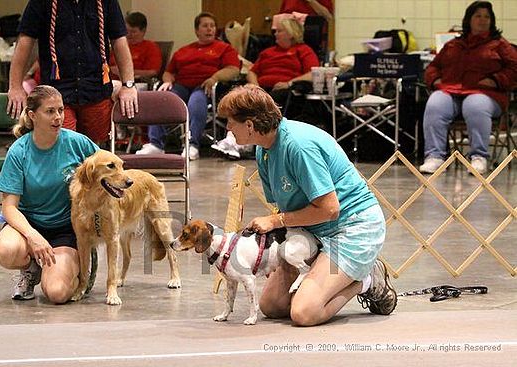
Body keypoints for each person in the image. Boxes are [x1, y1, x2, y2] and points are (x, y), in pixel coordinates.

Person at [217, 85, 397, 326]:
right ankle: (327, 272)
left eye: (230, 122)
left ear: (249, 125)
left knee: (304, 313)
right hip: (311, 231)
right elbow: (283, 208)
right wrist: (275, 249)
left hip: (351, 228)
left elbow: (330, 209)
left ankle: (365, 280)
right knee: (271, 306)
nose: (227, 128)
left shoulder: (298, 146)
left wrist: (274, 222)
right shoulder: (264, 151)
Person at [0, 85, 99, 303]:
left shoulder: (78, 143)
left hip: (66, 228)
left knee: (57, 293)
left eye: (60, 110)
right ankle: (32, 268)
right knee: (6, 250)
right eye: (50, 111)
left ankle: (83, 259)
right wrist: (33, 237)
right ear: (33, 115)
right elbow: (9, 207)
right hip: (29, 226)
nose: (58, 117)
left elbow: (112, 170)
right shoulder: (18, 151)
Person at [7, 0, 139, 145]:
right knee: (63, 148)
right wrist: (15, 86)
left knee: (95, 152)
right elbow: (25, 41)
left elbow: (119, 39)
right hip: (56, 92)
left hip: (96, 90)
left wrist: (128, 85)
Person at [419, 1, 517, 175]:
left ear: (492, 21)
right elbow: (433, 67)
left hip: (486, 94)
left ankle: (479, 157)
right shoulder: (453, 44)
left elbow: (514, 69)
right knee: (435, 103)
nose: (483, 20)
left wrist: (496, 80)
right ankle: (434, 157)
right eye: (478, 16)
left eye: (487, 16)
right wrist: (435, 81)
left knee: (475, 106)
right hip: (451, 90)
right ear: (468, 20)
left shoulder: (501, 45)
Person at [136, 12, 240, 160]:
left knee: (196, 101)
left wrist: (214, 77)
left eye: (212, 26)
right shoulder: (184, 50)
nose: (209, 29)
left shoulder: (224, 48)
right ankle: (156, 144)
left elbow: (233, 69)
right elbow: (168, 72)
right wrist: (168, 81)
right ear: (197, 30)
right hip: (181, 85)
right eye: (205, 26)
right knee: (161, 100)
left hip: (204, 86)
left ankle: (192, 145)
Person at [212, 17, 318, 160]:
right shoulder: (268, 52)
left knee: (260, 103)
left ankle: (240, 143)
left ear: (291, 33)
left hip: (284, 90)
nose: (275, 34)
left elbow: (313, 73)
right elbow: (252, 72)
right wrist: (255, 86)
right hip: (261, 89)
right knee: (241, 99)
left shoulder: (303, 50)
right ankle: (234, 139)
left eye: (280, 31)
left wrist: (289, 83)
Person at [109, 11, 162, 81]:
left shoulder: (151, 47)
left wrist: (124, 71)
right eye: (126, 31)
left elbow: (153, 72)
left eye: (133, 32)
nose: (128, 34)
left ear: (143, 31)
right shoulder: (118, 45)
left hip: (134, 83)